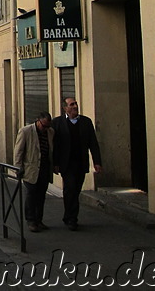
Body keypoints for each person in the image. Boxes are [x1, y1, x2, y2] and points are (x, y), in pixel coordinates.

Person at [53, 97, 102, 231]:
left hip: (80, 162)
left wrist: (97, 162)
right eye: (71, 104)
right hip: (66, 163)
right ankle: (71, 218)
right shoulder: (57, 123)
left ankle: (69, 215)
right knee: (69, 189)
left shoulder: (86, 122)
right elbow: (54, 145)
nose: (75, 106)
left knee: (76, 190)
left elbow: (93, 143)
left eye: (75, 104)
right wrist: (55, 163)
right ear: (65, 108)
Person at [14, 112, 54, 232]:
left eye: (47, 126)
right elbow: (18, 150)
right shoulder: (26, 131)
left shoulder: (50, 132)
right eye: (44, 126)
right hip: (30, 169)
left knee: (41, 195)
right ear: (38, 121)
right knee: (31, 194)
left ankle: (38, 220)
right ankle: (31, 220)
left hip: (44, 168)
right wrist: (18, 167)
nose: (45, 129)